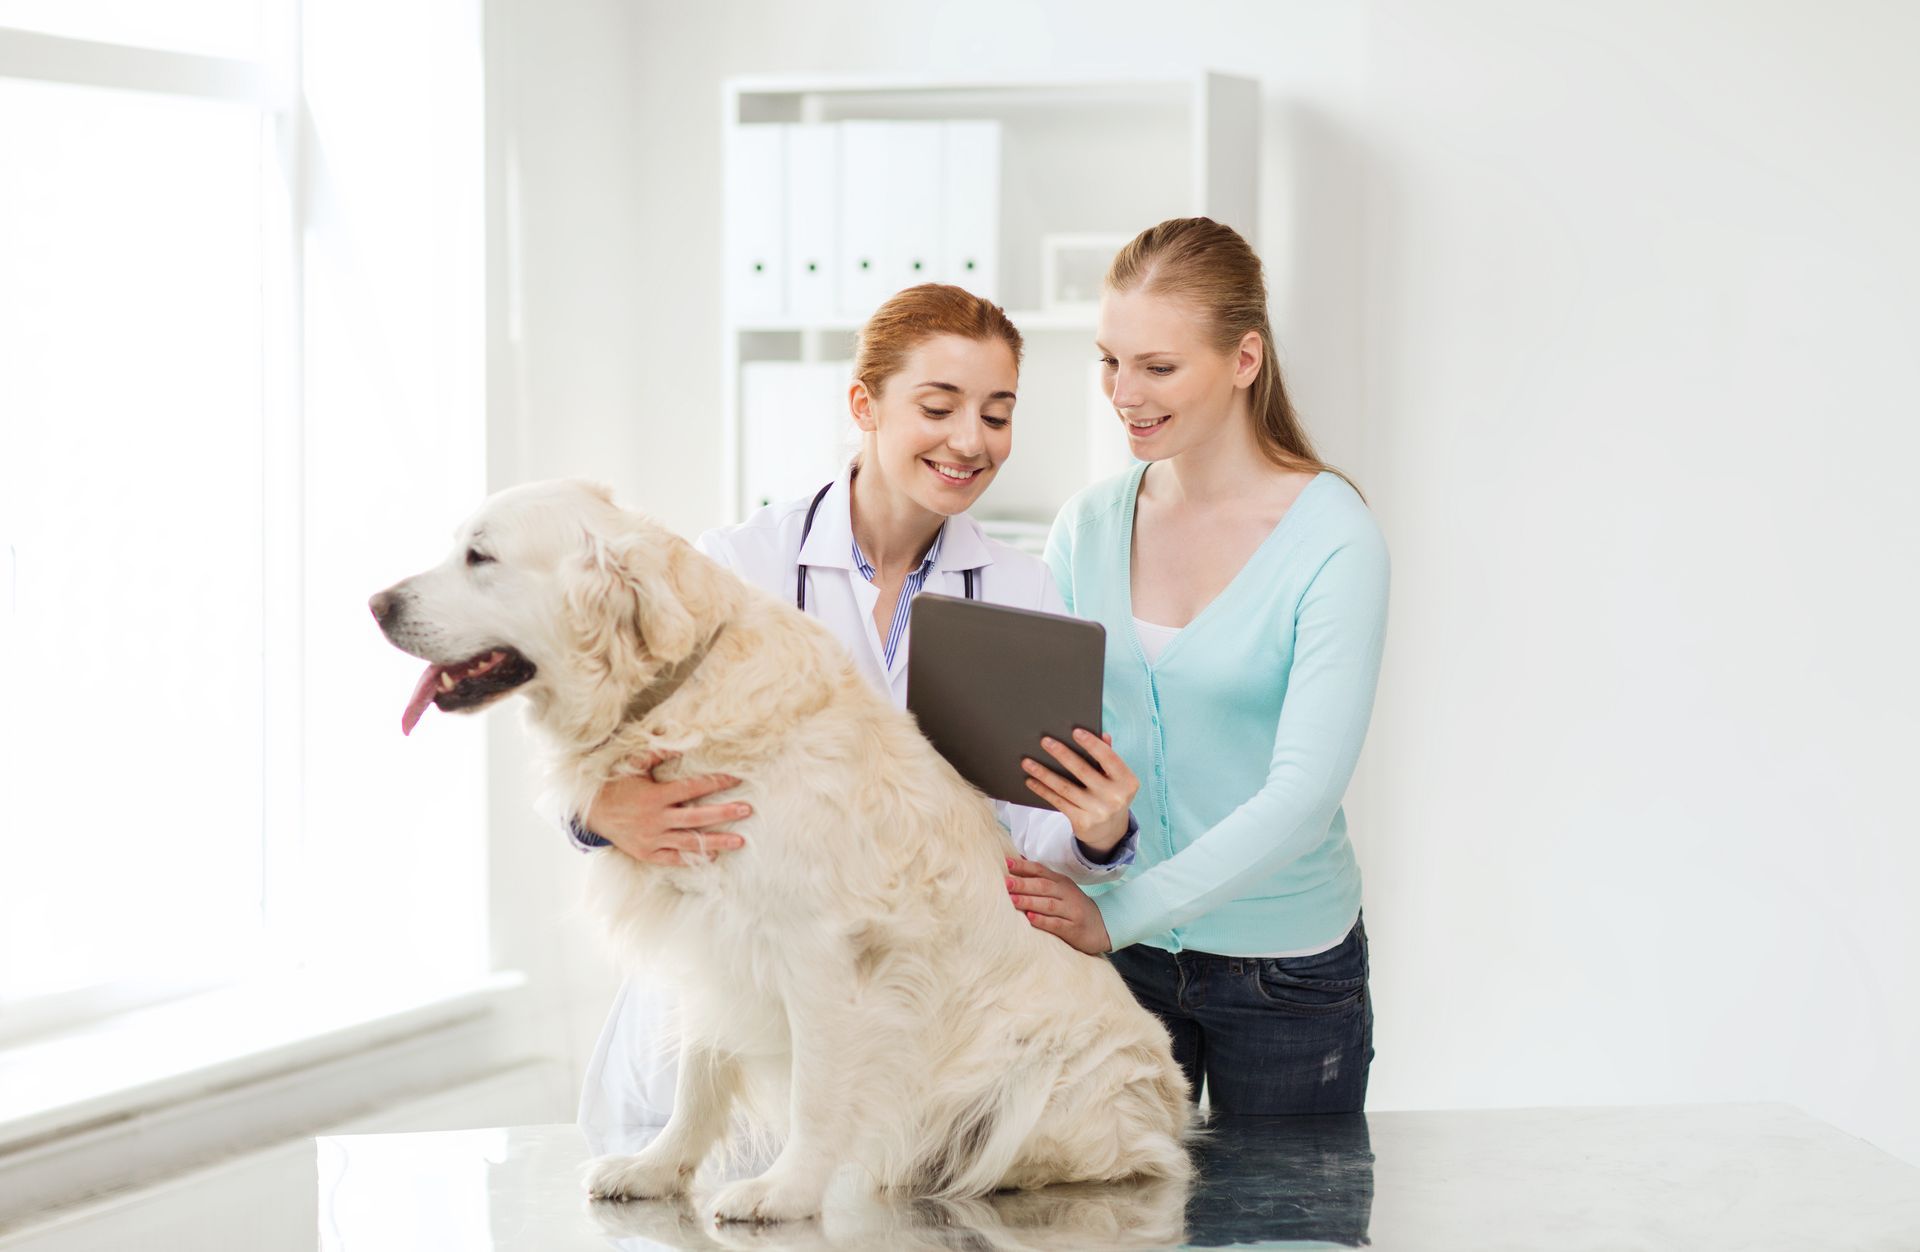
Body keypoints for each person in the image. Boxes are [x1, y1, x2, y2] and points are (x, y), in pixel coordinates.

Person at [573, 283, 1145, 1133]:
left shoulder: (1026, 593)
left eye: (997, 414)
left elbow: (1024, 839)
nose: (969, 441)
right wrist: (595, 815)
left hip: (901, 1025)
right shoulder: (734, 567)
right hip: (725, 1015)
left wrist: (1098, 833)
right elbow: (606, 753)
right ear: (864, 405)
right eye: (939, 406)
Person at [1006, 217, 1389, 1115]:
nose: (1123, 392)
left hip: (1286, 972)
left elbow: (1301, 799)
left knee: (1282, 1232)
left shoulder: (1334, 539)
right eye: (1109, 360)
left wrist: (1121, 915)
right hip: (1117, 963)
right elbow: (1039, 740)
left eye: (1158, 367)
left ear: (1245, 360)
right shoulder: (1088, 524)